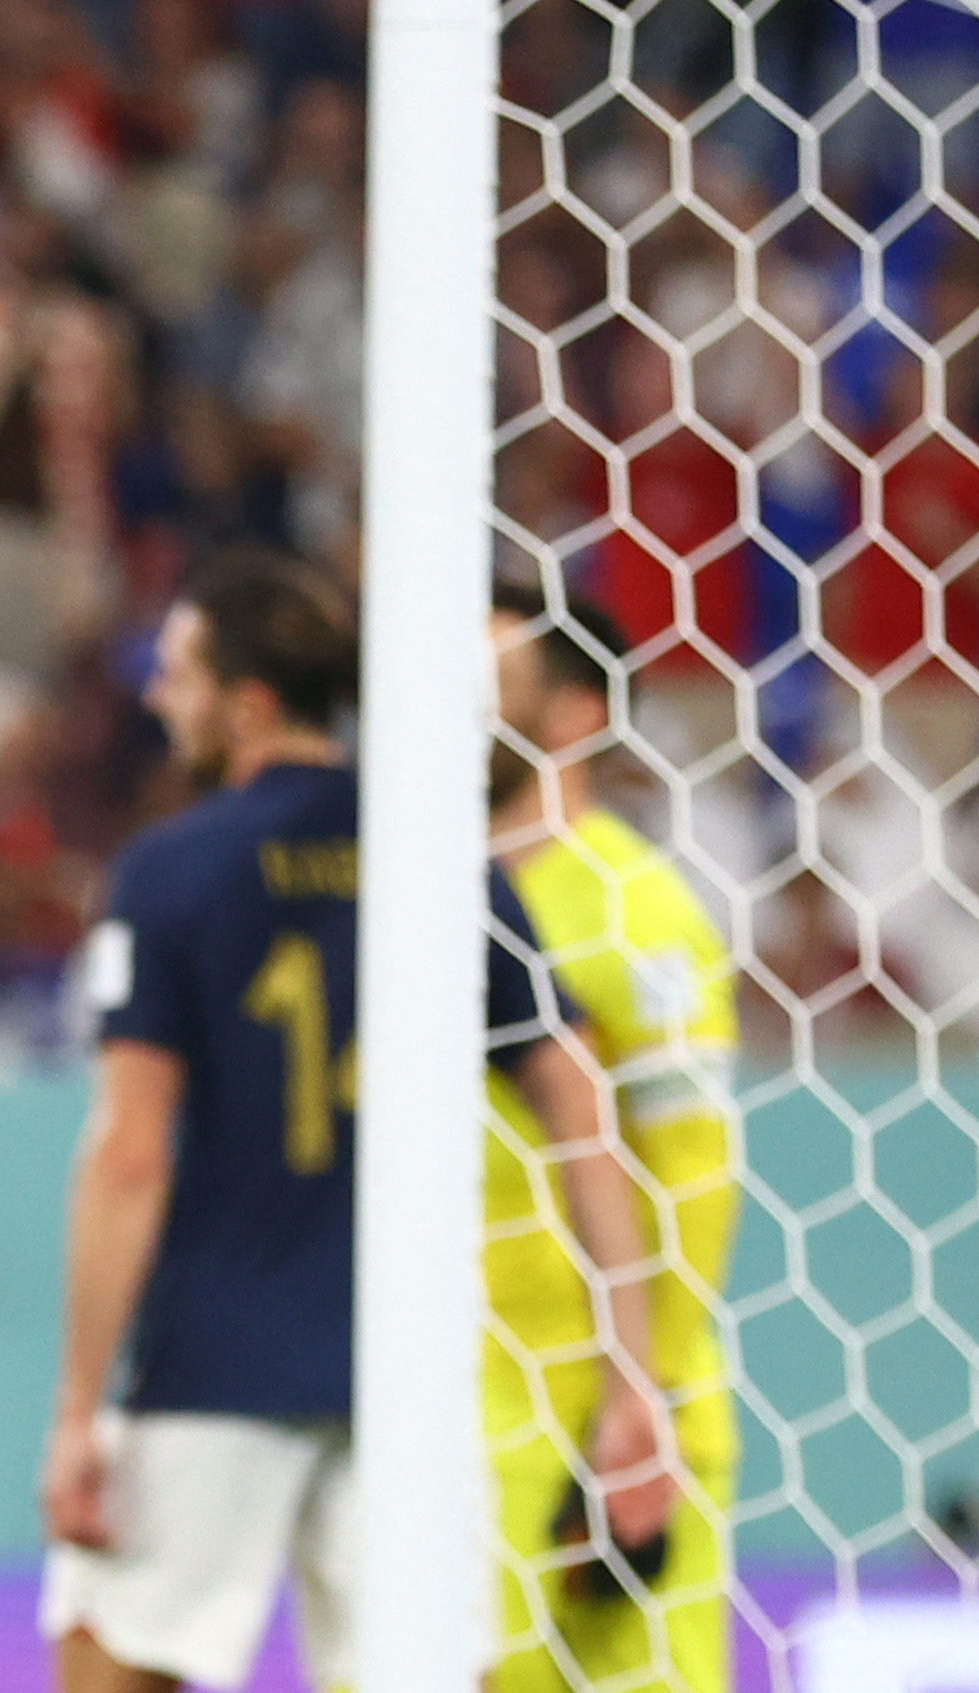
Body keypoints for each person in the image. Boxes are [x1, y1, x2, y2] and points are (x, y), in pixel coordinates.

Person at [36, 556, 676, 1693]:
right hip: (410, 1364)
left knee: (113, 1661)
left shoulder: (167, 872)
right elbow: (579, 1103)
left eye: (176, 676)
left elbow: (129, 1152)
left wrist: (77, 1405)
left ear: (245, 703)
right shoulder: (442, 859)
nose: (155, 699)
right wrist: (631, 1371)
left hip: (212, 1355)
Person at [487, 581, 742, 1693]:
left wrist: (638, 1403)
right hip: (435, 1404)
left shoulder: (638, 912)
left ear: (572, 715)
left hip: (600, 1407)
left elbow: (694, 1178)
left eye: (485, 679)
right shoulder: (396, 899)